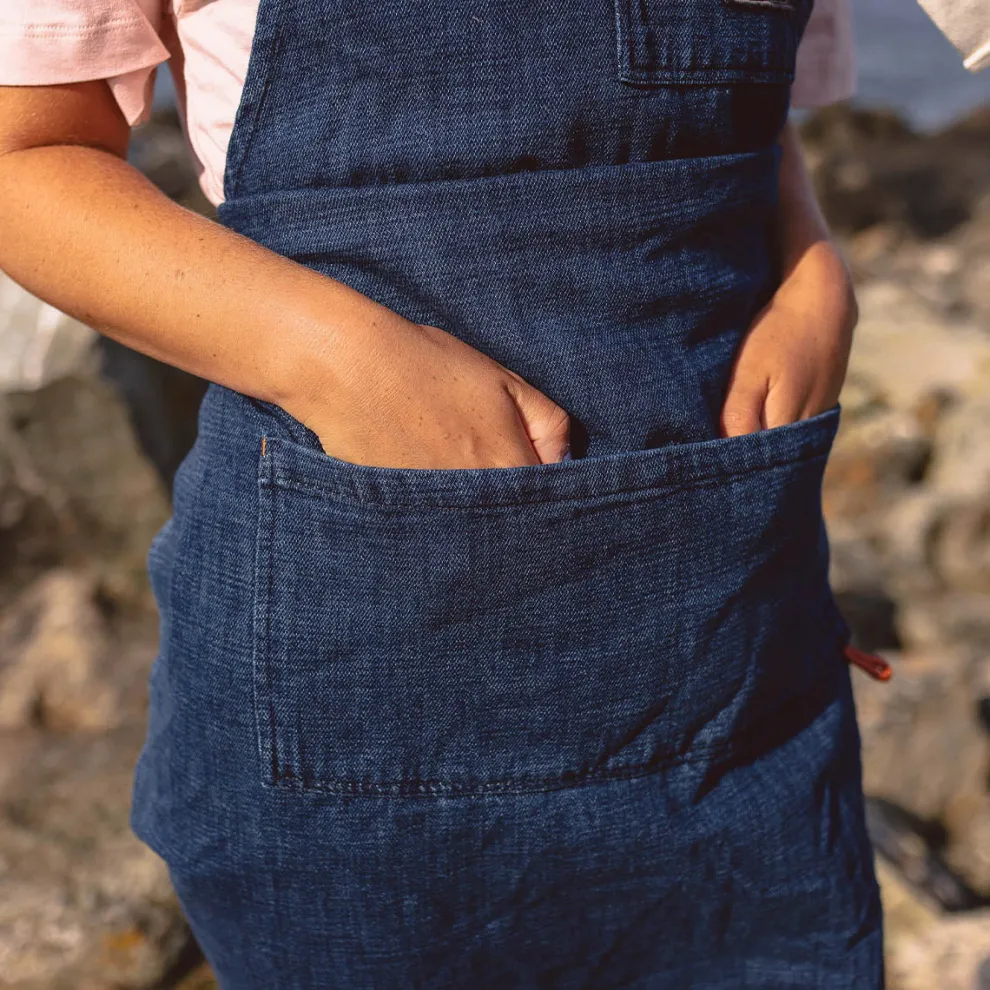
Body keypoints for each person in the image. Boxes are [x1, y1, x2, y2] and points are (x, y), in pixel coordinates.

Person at [0, 1, 883, 987]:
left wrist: (813, 265)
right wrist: (343, 362)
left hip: (742, 673)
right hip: (364, 692)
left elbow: (745, 114)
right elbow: (24, 157)